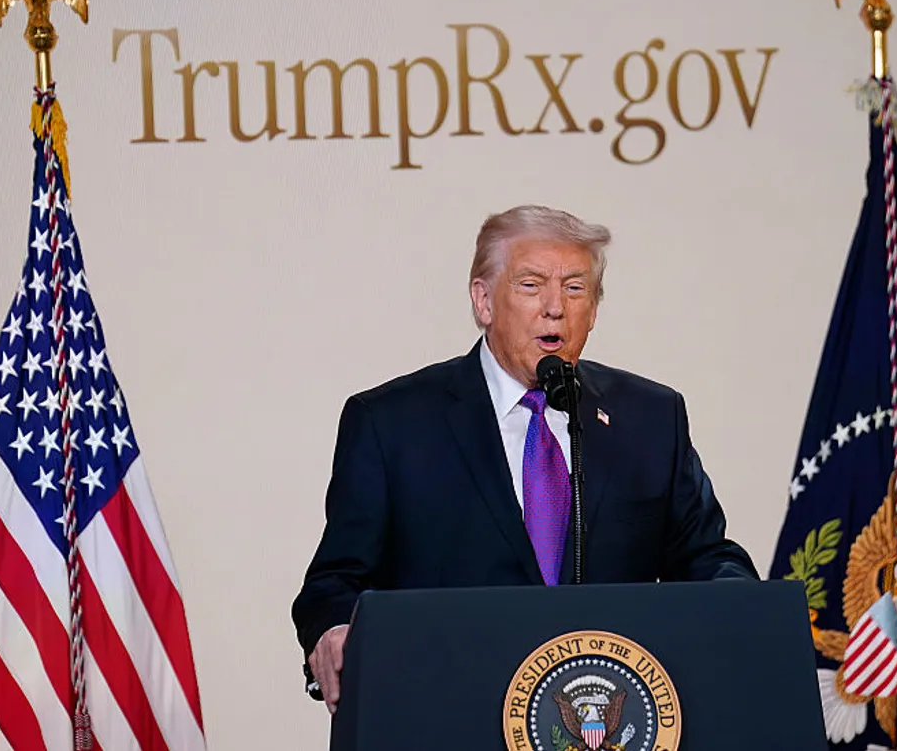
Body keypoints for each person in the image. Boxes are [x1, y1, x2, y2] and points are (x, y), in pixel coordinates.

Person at [291, 204, 758, 713]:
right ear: (484, 301)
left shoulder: (649, 417)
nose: (555, 307)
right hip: (449, 712)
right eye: (532, 285)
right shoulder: (392, 422)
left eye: (575, 288)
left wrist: (747, 610)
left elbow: (705, 556)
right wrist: (336, 626)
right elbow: (334, 582)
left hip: (606, 721)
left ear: (594, 310)